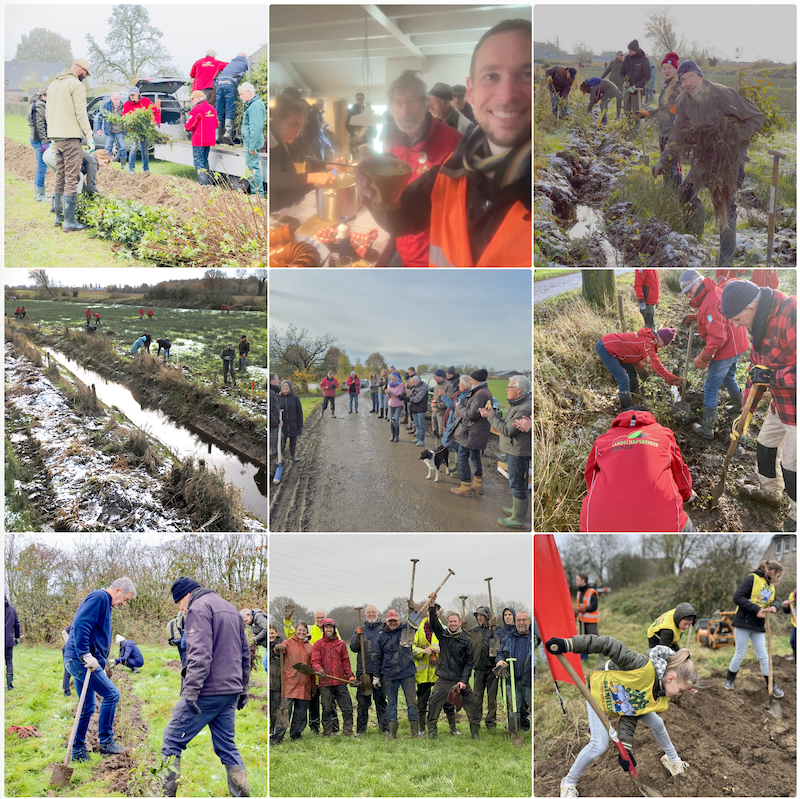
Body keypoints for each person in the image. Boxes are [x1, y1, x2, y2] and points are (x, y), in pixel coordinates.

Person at [355, 19, 531, 267]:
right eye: (491, 76)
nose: (507, 96)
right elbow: (400, 216)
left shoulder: (567, 194)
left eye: (527, 74)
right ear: (471, 91)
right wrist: (371, 182)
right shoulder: (454, 166)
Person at [546, 634, 694, 798]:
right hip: (598, 692)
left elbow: (631, 713)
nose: (679, 695)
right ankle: (568, 782)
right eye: (681, 690)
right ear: (671, 678)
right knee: (598, 745)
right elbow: (607, 644)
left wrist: (626, 750)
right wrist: (569, 644)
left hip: (621, 700)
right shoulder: (640, 665)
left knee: (657, 723)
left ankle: (673, 760)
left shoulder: (659, 692)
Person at [652, 61, 764, 266]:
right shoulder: (683, 101)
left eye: (691, 77)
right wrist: (663, 161)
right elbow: (678, 135)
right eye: (683, 80)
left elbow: (756, 117)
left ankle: (726, 260)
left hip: (731, 154)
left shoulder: (722, 94)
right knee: (685, 193)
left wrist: (737, 135)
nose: (688, 83)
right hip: (705, 153)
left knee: (726, 204)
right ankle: (695, 239)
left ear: (700, 77)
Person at [160, 577, 251, 798]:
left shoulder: (198, 608)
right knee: (227, 746)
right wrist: (243, 688)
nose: (181, 608)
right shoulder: (230, 608)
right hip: (231, 690)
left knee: (171, 740)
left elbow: (199, 654)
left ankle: (163, 794)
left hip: (206, 690)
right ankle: (242, 794)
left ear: (186, 595)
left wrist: (190, 692)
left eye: (179, 603)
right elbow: (245, 654)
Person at [720, 279, 796, 531]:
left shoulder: (791, 313)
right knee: (765, 445)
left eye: (737, 319)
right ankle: (770, 493)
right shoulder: (760, 324)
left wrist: (774, 377)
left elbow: (768, 375)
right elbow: (756, 372)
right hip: (781, 404)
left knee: (793, 465)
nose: (736, 325)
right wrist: (745, 413)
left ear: (751, 307)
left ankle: (796, 517)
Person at [383, 71, 463, 266]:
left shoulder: (455, 142)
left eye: (412, 101)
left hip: (438, 257)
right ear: (391, 108)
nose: (405, 111)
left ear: (427, 104)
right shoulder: (389, 140)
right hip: (404, 246)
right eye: (398, 103)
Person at [580, 405, 696, 532]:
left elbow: (590, 477)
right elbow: (679, 469)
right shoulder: (663, 434)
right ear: (649, 417)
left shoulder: (602, 440)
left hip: (597, 526)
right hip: (663, 524)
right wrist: (687, 495)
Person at [63, 577, 136, 761]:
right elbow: (82, 624)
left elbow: (79, 626)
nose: (124, 604)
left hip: (81, 660)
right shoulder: (99, 598)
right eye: (125, 599)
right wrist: (85, 654)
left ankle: (78, 751)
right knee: (112, 695)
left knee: (88, 706)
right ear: (118, 590)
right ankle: (106, 742)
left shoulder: (104, 604)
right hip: (80, 660)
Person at [678, 269, 750, 439]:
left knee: (710, 386)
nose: (688, 295)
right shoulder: (711, 291)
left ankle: (707, 429)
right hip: (737, 343)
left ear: (699, 282)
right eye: (686, 292)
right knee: (729, 376)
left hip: (727, 348)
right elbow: (717, 316)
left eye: (689, 290)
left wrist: (703, 358)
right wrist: (697, 316)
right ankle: (738, 405)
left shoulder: (710, 301)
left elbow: (718, 337)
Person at [424, 592, 480, 740]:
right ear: (447, 623)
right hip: (443, 678)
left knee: (472, 706)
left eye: (455, 621)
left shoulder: (466, 640)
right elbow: (434, 622)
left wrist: (463, 681)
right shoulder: (443, 636)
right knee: (434, 703)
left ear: (460, 623)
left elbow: (469, 663)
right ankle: (432, 732)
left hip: (460, 679)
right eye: (450, 621)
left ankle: (475, 732)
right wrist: (432, 605)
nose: (453, 624)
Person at [46, 58, 93, 231]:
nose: (85, 77)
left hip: (57, 139)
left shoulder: (53, 85)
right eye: (85, 73)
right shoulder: (76, 85)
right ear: (80, 69)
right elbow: (81, 113)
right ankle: (70, 222)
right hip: (71, 139)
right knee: (72, 179)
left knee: (60, 176)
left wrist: (53, 137)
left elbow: (48, 112)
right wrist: (89, 135)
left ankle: (58, 218)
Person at [725, 560, 784, 697]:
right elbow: (738, 597)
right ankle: (729, 679)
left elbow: (776, 600)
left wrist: (775, 606)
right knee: (740, 654)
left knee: (763, 656)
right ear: (773, 572)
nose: (777, 580)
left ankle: (772, 684)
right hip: (743, 623)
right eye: (778, 576)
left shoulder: (770, 586)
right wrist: (755, 609)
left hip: (758, 625)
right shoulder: (752, 578)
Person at [479, 374, 531, 528]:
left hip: (518, 451)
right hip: (513, 449)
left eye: (509, 387)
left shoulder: (524, 408)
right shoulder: (516, 404)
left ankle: (518, 519)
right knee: (515, 482)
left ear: (519, 390)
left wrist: (490, 417)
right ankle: (516, 510)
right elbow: (506, 424)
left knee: (517, 483)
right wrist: (493, 415)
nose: (506, 389)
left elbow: (507, 430)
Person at [269, 94, 333, 210]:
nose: (299, 127)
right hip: (281, 208)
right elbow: (274, 178)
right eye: (294, 124)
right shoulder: (271, 145)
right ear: (278, 122)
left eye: (301, 123)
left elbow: (314, 162)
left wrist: (330, 165)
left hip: (303, 201)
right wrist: (311, 177)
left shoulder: (301, 141)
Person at [596, 326, 683, 410]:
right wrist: (673, 379)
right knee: (623, 380)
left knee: (632, 372)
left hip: (617, 349)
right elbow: (655, 365)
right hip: (606, 348)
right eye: (664, 344)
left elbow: (633, 352)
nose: (663, 347)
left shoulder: (649, 339)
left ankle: (633, 395)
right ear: (660, 338)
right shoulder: (647, 343)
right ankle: (626, 409)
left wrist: (641, 369)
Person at [374, 609, 422, 738]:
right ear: (386, 622)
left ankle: (415, 733)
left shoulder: (407, 629)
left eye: (395, 620)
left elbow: (416, 618)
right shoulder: (381, 636)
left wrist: (413, 608)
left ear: (399, 620)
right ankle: (392, 734)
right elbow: (378, 657)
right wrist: (376, 676)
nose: (393, 623)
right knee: (391, 704)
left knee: (412, 703)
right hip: (390, 675)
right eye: (390, 621)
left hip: (407, 673)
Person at [413, 603, 460, 735]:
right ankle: (422, 728)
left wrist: (441, 649)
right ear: (426, 612)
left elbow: (451, 649)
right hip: (423, 674)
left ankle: (453, 728)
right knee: (421, 702)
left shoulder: (444, 629)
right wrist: (423, 651)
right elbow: (411, 648)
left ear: (438, 613)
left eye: (436, 611)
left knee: (447, 701)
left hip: (440, 673)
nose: (433, 613)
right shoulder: (418, 629)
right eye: (430, 611)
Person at [451, 369, 493, 498]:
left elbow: (471, 415)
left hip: (472, 432)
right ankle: (477, 485)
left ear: (476, 380)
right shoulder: (483, 391)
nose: (469, 381)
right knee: (475, 456)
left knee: (462, 456)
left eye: (471, 379)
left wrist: (458, 407)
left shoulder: (480, 394)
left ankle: (465, 487)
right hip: (477, 431)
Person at [270, 620, 313, 744]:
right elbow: (278, 651)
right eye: (299, 630)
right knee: (284, 711)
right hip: (289, 683)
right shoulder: (288, 642)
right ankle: (277, 736)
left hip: (304, 684)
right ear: (295, 630)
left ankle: (296, 734)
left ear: (306, 631)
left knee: (300, 712)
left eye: (304, 630)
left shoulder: (309, 646)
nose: (301, 632)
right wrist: (277, 648)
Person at [311, 618, 355, 736]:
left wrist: (350, 676)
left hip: (340, 682)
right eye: (326, 627)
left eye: (330, 627)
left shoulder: (341, 644)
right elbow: (315, 661)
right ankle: (327, 732)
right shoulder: (318, 644)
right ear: (323, 629)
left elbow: (346, 662)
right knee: (327, 709)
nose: (329, 629)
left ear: (334, 629)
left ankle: (348, 731)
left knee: (347, 708)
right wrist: (320, 670)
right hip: (325, 682)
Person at [350, 605, 388, 735]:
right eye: (369, 612)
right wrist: (358, 636)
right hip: (363, 673)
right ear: (365, 615)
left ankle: (384, 728)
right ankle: (361, 730)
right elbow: (353, 648)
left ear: (377, 614)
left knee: (381, 701)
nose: (371, 614)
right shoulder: (360, 629)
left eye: (373, 612)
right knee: (363, 702)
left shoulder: (383, 629)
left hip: (379, 672)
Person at [495, 611, 531, 734]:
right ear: (515, 622)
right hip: (512, 679)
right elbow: (500, 652)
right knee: (513, 707)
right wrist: (500, 661)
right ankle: (513, 732)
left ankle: (536, 733)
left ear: (529, 621)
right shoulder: (508, 638)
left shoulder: (532, 637)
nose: (521, 623)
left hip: (529, 680)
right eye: (519, 620)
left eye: (524, 620)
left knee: (532, 705)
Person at [467, 606, 499, 730]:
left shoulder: (495, 629)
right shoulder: (474, 630)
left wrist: (492, 629)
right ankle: (476, 721)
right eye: (478, 615)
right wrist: (463, 629)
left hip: (492, 669)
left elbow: (496, 645)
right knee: (477, 697)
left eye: (482, 615)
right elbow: (465, 640)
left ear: (487, 616)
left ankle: (491, 722)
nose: (480, 618)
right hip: (478, 669)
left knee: (492, 697)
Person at [42, 142, 111, 199]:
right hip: (56, 155)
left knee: (63, 180)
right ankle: (73, 204)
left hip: (49, 153)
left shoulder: (89, 156)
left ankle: (57, 207)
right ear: (100, 157)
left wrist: (87, 193)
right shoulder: (93, 161)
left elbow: (85, 185)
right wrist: (102, 198)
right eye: (104, 162)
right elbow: (91, 186)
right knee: (77, 176)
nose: (104, 165)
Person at [123, 87, 161, 174]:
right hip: (134, 131)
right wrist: (129, 125)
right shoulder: (127, 104)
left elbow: (155, 112)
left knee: (145, 150)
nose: (132, 96)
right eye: (130, 94)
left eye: (133, 94)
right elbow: (124, 116)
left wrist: (157, 124)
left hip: (144, 130)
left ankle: (146, 170)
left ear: (138, 93)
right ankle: (131, 169)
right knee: (133, 148)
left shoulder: (146, 101)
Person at [184, 90, 219, 186]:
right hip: (208, 140)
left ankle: (203, 185)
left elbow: (191, 125)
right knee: (205, 160)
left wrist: (186, 126)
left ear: (198, 98)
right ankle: (208, 184)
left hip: (199, 140)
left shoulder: (197, 109)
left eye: (192, 99)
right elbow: (216, 124)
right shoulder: (211, 108)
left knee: (198, 162)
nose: (191, 101)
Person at [214, 52, 249, 145]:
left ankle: (216, 135)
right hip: (229, 84)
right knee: (230, 109)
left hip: (219, 84)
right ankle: (228, 133)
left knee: (219, 110)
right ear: (245, 58)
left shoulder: (231, 63)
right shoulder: (245, 63)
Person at [438, 374, 471, 473]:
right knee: (456, 448)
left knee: (458, 448)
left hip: (457, 424)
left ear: (466, 385)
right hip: (453, 422)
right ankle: (457, 467)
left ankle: (460, 470)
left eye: (460, 383)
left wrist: (444, 396)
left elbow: (453, 406)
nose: (459, 385)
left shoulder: (464, 396)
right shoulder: (460, 394)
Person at [238, 82, 266, 198]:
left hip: (252, 143)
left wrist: (252, 146)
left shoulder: (255, 106)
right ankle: (256, 194)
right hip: (250, 142)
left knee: (252, 168)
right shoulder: (254, 104)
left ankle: (258, 195)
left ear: (248, 91)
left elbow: (256, 127)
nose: (240, 97)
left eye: (241, 94)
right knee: (251, 167)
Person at [620, 39, 651, 125]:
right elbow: (622, 73)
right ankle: (627, 128)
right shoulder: (627, 59)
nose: (629, 51)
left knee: (636, 112)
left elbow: (647, 76)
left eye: (631, 50)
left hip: (638, 91)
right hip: (627, 90)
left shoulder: (644, 60)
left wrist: (635, 86)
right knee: (626, 111)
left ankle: (636, 130)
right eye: (628, 49)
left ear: (636, 50)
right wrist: (624, 81)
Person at [28, 85, 49, 201]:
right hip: (39, 140)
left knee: (42, 166)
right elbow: (39, 126)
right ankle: (40, 195)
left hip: (39, 139)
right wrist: (44, 142)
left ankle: (39, 193)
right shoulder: (39, 105)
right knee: (42, 167)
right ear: (43, 95)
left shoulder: (39, 103)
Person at [95, 91, 127, 167]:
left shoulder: (123, 106)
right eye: (115, 99)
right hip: (110, 131)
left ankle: (123, 165)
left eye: (118, 99)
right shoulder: (106, 106)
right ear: (111, 99)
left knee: (122, 147)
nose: (117, 101)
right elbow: (100, 117)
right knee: (107, 148)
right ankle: (106, 165)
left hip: (120, 131)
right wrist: (99, 129)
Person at [574, 574, 599, 662]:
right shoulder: (579, 592)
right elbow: (579, 606)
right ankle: (584, 658)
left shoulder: (592, 592)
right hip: (582, 620)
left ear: (583, 580)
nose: (576, 581)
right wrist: (577, 611)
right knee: (583, 640)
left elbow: (594, 607)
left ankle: (602, 655)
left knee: (595, 640)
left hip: (591, 621)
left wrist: (585, 609)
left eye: (577, 580)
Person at [278, 380, 303, 462]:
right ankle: (280, 458)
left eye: (287, 386)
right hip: (282, 425)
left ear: (290, 388)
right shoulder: (278, 398)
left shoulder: (295, 398)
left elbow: (299, 411)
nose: (285, 387)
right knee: (282, 442)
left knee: (293, 441)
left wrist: (300, 424)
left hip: (293, 423)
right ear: (281, 387)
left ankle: (293, 456)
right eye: (283, 386)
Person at [345, 92, 376, 159]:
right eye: (358, 99)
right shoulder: (352, 110)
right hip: (355, 137)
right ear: (356, 100)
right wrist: (356, 134)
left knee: (367, 156)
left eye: (361, 99)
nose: (360, 100)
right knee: (356, 156)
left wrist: (372, 133)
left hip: (366, 136)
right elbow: (347, 125)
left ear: (364, 99)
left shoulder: (367, 109)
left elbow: (371, 122)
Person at [600, 51, 625, 118]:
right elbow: (607, 71)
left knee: (619, 100)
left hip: (620, 84)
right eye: (620, 55)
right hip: (611, 84)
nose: (621, 57)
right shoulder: (612, 63)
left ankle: (618, 116)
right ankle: (604, 115)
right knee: (607, 99)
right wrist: (601, 78)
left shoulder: (624, 64)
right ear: (617, 56)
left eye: (622, 55)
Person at [430, 369, 453, 440]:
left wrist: (437, 405)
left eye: (435, 376)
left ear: (441, 377)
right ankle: (436, 445)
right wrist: (433, 401)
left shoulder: (448, 386)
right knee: (435, 431)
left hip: (442, 414)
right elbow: (436, 397)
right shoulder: (437, 385)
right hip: (434, 412)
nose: (434, 378)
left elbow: (449, 402)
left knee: (442, 432)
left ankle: (442, 446)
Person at [408, 375, 428, 446]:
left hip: (421, 409)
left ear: (417, 381)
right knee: (416, 424)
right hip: (414, 408)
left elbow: (417, 399)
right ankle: (417, 438)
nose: (412, 384)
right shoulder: (415, 387)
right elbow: (412, 396)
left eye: (413, 383)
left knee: (421, 425)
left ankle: (422, 440)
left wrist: (408, 399)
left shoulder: (423, 388)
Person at [268, 625, 282, 729]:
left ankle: (274, 729)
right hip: (268, 682)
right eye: (268, 633)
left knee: (275, 709)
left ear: (276, 633)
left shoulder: (281, 646)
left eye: (272, 633)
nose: (270, 635)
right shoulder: (265, 645)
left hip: (277, 683)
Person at [386, 371, 406, 443]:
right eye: (391, 377)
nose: (391, 378)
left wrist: (391, 392)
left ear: (396, 377)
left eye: (393, 377)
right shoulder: (389, 384)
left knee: (396, 420)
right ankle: (392, 435)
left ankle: (397, 436)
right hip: (391, 404)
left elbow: (399, 395)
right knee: (391, 421)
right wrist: (388, 394)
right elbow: (388, 397)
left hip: (398, 404)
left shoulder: (401, 384)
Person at [5, 595, 20, 691]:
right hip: (9, 640)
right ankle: (10, 686)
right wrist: (17, 637)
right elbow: (17, 624)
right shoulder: (12, 609)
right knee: (9, 662)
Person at [782, 588, 796, 661]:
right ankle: (796, 656)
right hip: (795, 623)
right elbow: (788, 611)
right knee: (793, 641)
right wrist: (786, 606)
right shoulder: (792, 595)